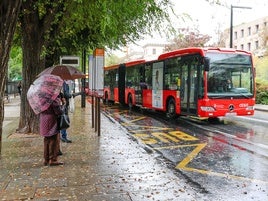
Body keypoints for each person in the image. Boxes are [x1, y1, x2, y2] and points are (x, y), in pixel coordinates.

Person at [40, 95, 65, 166]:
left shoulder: (41, 97)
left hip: (43, 118)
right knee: (53, 139)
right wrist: (63, 104)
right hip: (51, 119)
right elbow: (58, 111)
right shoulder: (52, 98)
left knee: (46, 139)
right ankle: (53, 159)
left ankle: (46, 159)